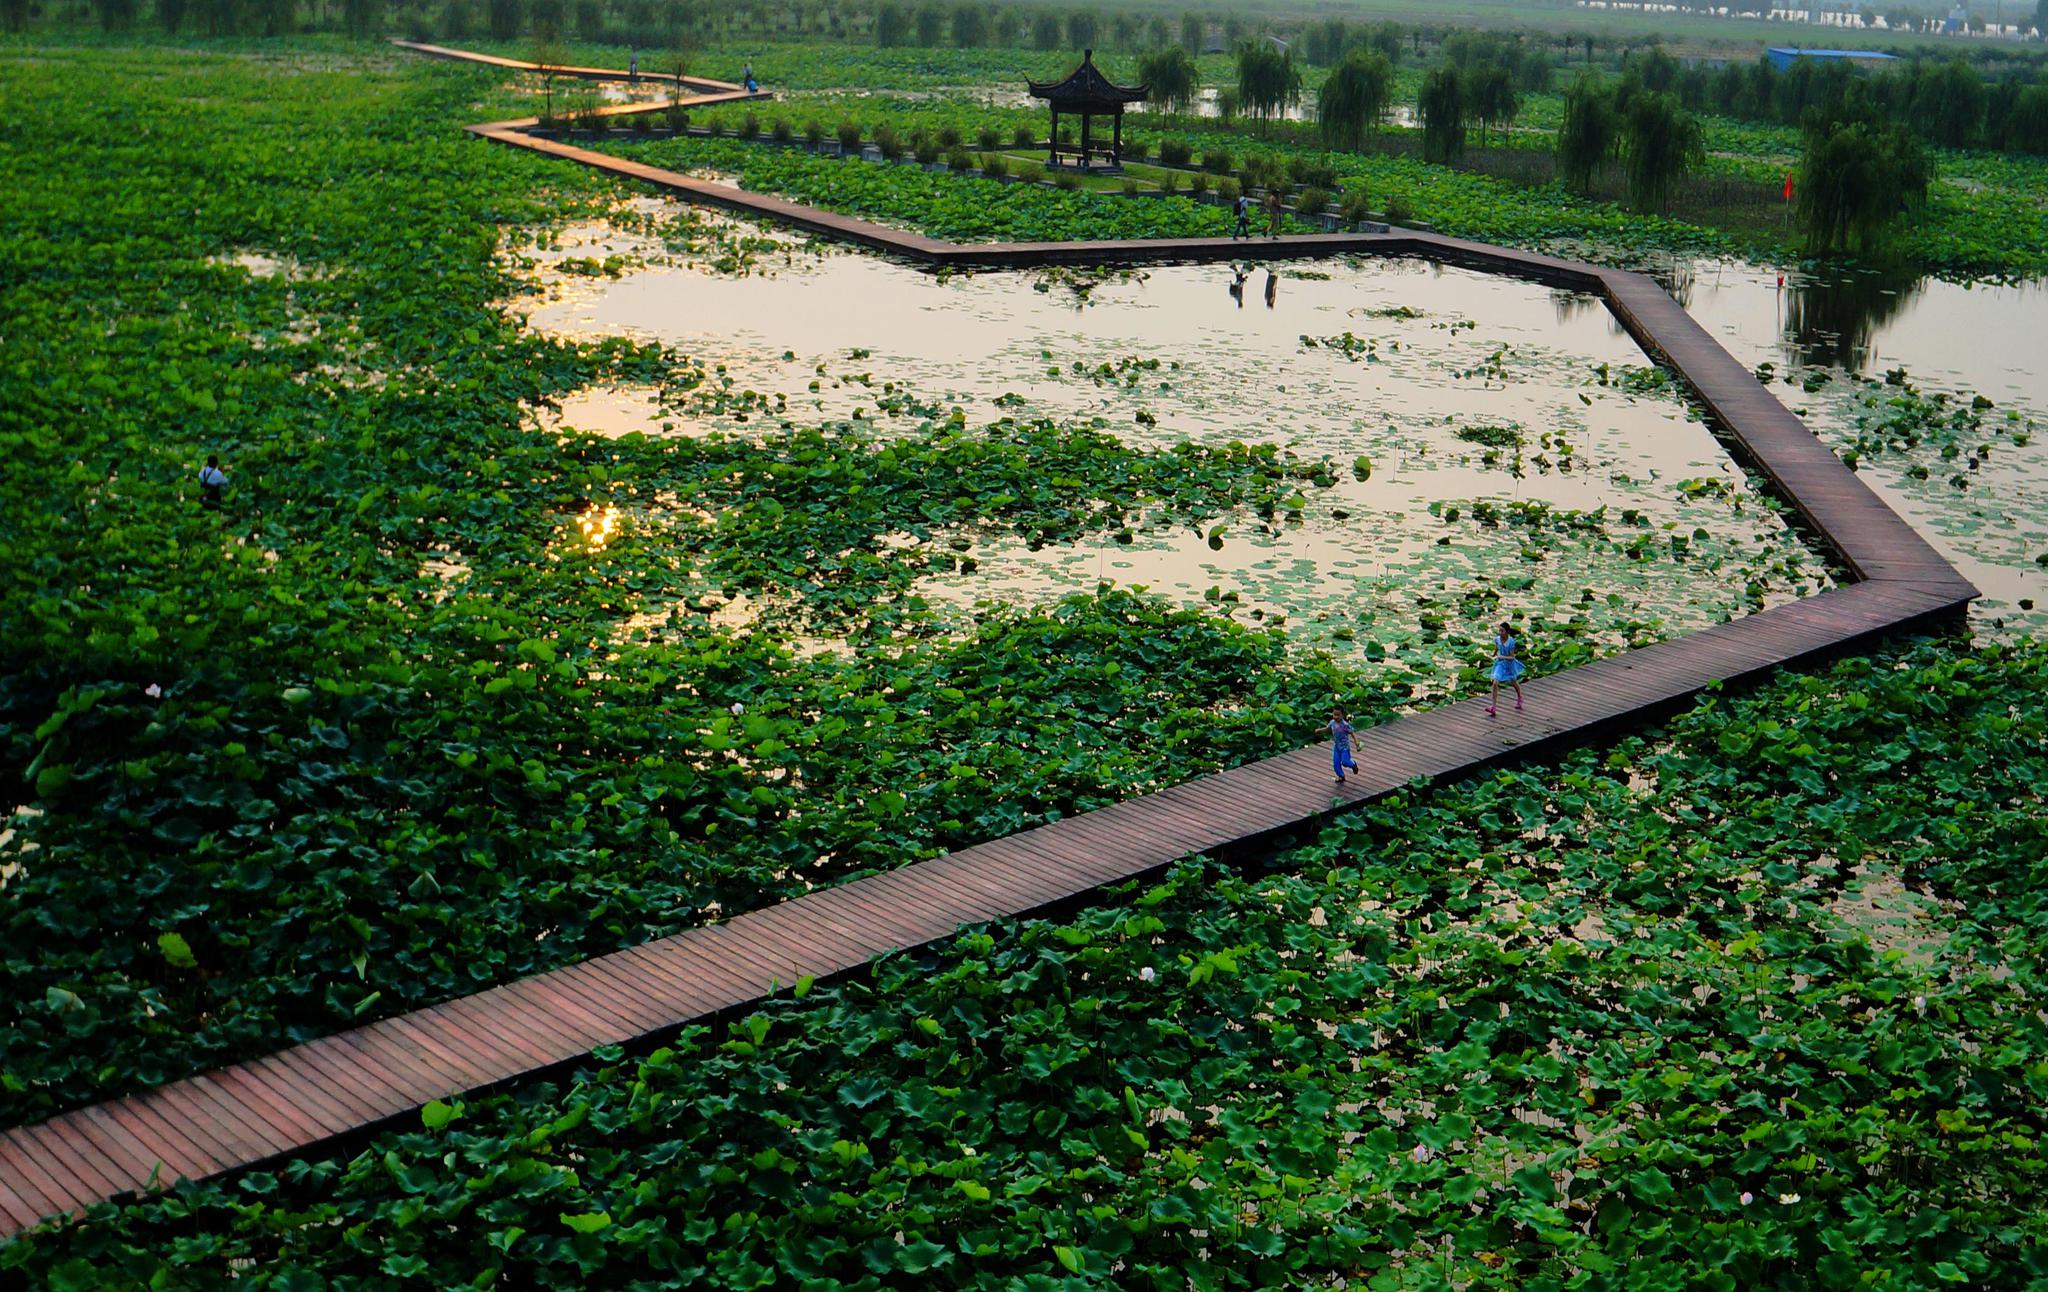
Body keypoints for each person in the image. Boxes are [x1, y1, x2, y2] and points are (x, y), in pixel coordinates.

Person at [1486, 622, 1526, 716]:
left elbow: (1512, 657)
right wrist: (1492, 655)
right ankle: (1493, 707)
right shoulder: (1497, 639)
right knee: (1495, 682)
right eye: (1499, 630)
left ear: (1507, 632)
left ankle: (1520, 697)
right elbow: (1497, 648)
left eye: (1502, 631)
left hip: (1509, 664)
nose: (1500, 633)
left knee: (1513, 682)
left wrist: (1502, 657)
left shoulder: (1511, 642)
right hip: (1500, 664)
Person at [1327, 708, 1358, 784]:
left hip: (1344, 747)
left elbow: (1352, 732)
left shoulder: (1345, 725)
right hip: (1337, 746)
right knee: (1336, 762)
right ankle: (1341, 776)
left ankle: (1353, 764)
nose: (1336, 717)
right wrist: (1320, 731)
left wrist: (1356, 741)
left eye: (1338, 715)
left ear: (1342, 715)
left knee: (1345, 762)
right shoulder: (1332, 723)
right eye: (1334, 715)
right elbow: (1327, 728)